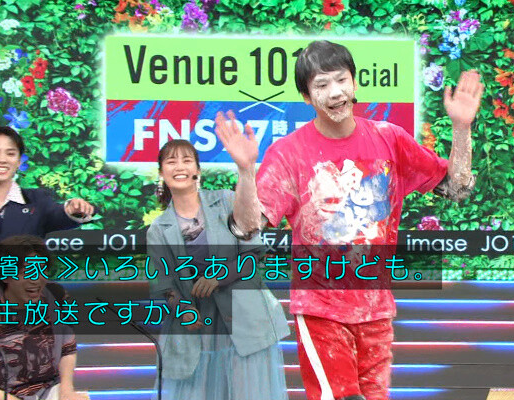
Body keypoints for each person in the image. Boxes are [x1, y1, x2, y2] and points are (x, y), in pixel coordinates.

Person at [215, 40, 483, 400]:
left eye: (341, 80)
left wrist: (462, 128)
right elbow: (248, 225)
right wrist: (246, 172)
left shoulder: (389, 139)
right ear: (307, 97)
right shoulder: (289, 153)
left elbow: (457, 187)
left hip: (376, 310)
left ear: (355, 83)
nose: (335, 92)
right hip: (320, 309)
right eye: (322, 85)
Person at [146, 139, 289, 400]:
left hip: (245, 321)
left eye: (187, 160)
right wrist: (183, 309)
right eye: (171, 161)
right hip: (197, 329)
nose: (179, 167)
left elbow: (253, 255)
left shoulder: (226, 201)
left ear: (197, 170)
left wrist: (219, 276)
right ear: (161, 172)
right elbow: (165, 284)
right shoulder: (158, 229)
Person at [0, 126, 95, 350]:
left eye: (10, 153)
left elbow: (59, 214)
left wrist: (74, 209)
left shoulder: (36, 202)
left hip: (26, 319)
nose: (2, 159)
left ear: (19, 161)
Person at [0, 235, 89, 400]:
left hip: (47, 391)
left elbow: (67, 349)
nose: (36, 280)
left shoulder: (55, 296)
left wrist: (67, 391)